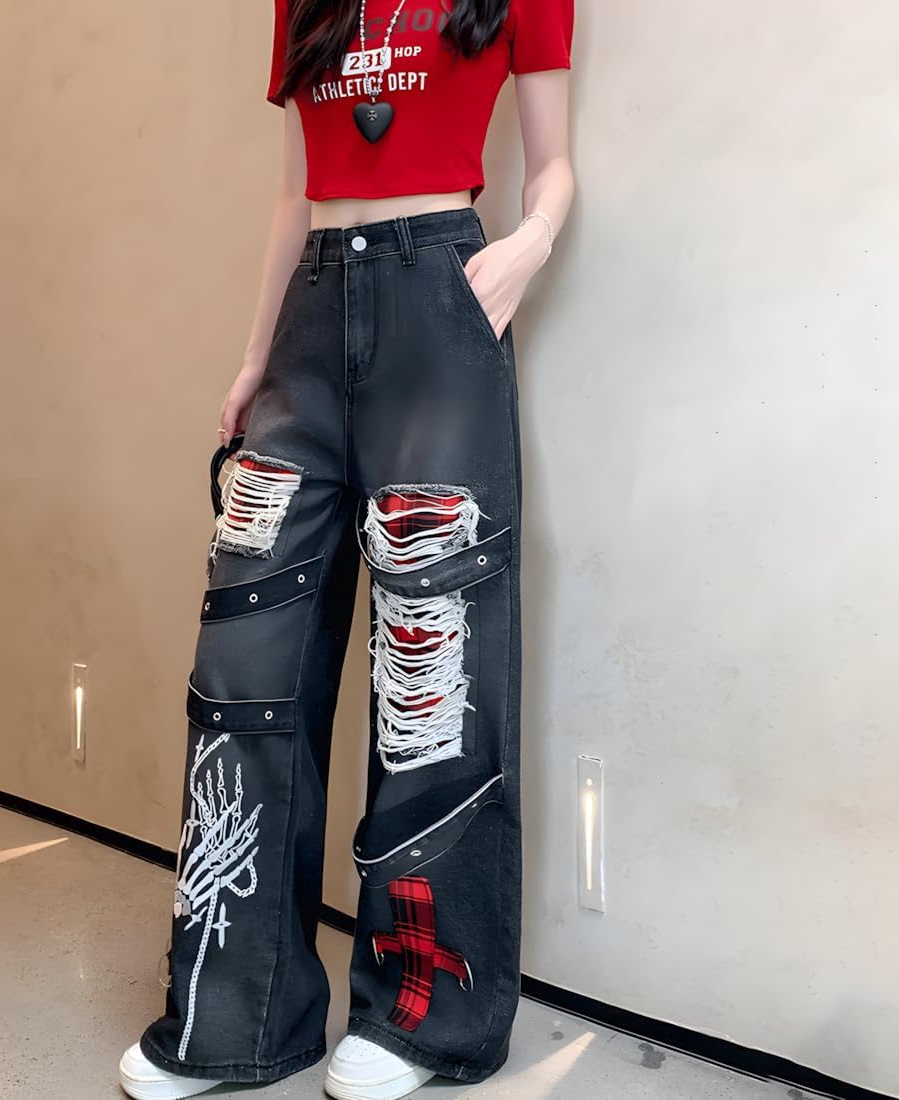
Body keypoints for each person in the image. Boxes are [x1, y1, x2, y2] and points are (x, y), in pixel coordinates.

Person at [120, 1, 573, 1097]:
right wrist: (253, 360)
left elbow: (556, 163)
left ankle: (422, 1016)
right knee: (245, 661)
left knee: (434, 660)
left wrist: (524, 245)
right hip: (310, 318)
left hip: (440, 300)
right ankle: (233, 1016)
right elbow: (297, 192)